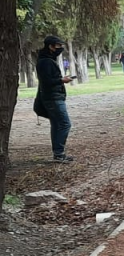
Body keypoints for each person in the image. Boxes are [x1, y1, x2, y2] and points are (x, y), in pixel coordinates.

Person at [36, 35, 74, 163]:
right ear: (50, 47)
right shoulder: (46, 61)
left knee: (56, 124)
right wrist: (61, 80)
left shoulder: (47, 59)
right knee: (65, 124)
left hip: (53, 97)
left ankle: (58, 154)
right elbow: (46, 81)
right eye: (58, 46)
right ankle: (59, 153)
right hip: (53, 98)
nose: (60, 48)